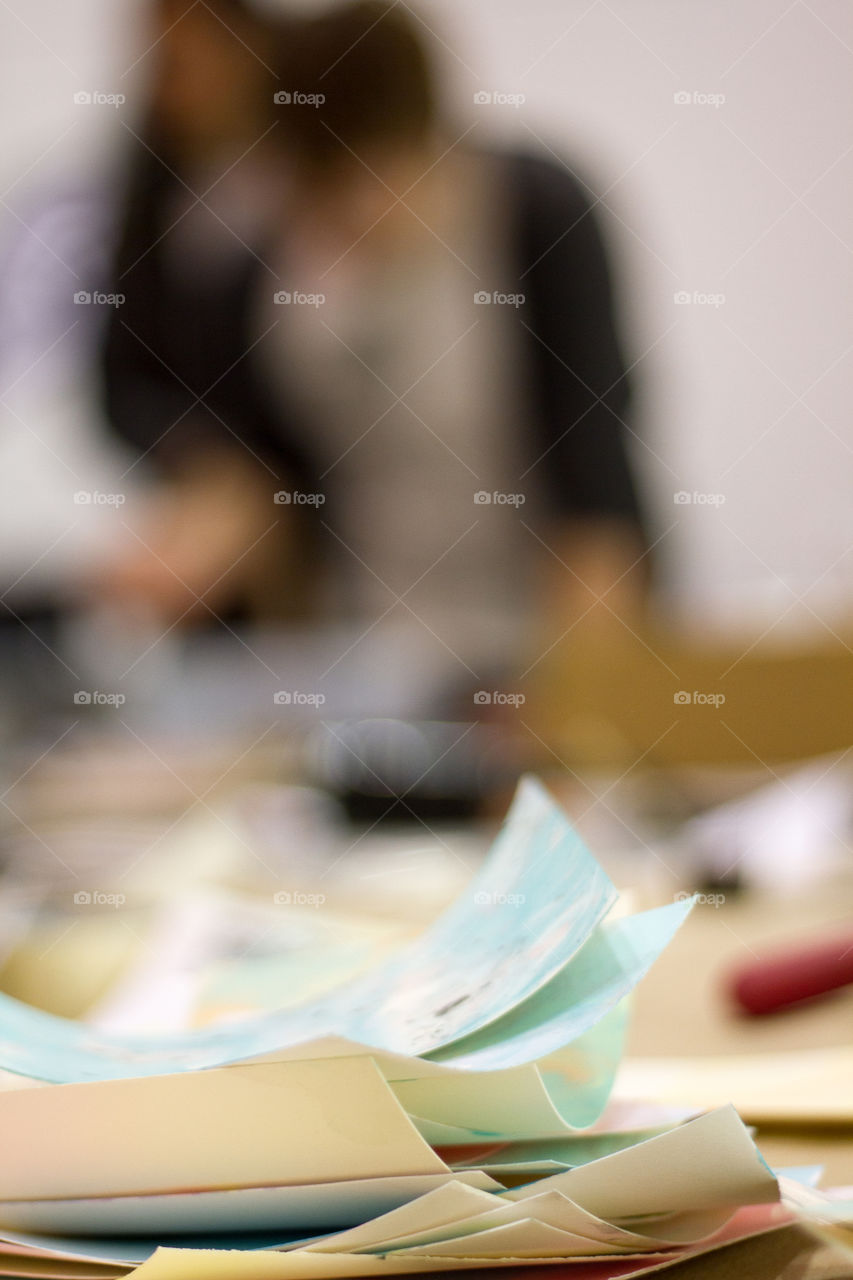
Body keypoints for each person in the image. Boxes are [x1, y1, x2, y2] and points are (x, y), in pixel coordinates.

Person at [99, 0, 648, 683]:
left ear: (432, 136)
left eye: (381, 175)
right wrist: (210, 527)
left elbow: (596, 495)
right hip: (368, 664)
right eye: (325, 195)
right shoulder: (262, 278)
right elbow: (267, 479)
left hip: (540, 648)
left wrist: (580, 710)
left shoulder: (536, 213)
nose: (359, 217)